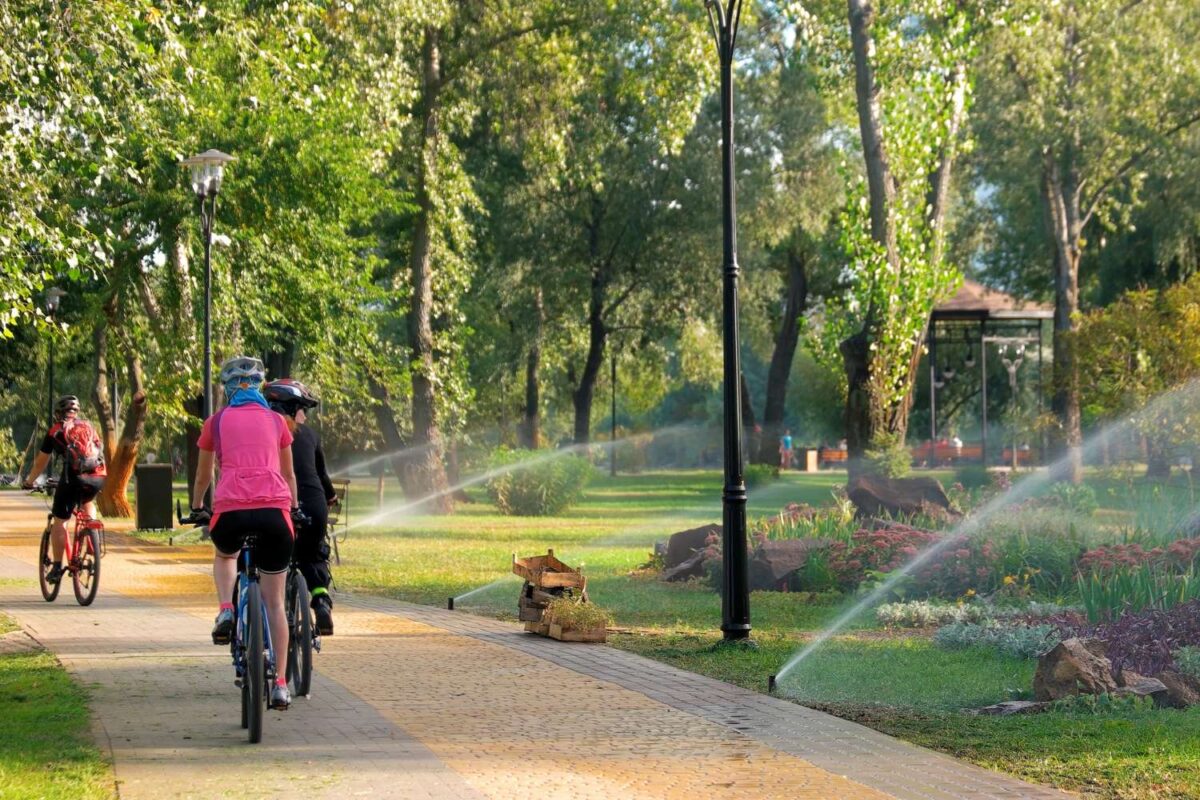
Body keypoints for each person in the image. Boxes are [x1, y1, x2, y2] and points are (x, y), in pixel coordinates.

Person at [190, 356, 302, 710]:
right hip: (274, 513)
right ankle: (281, 684)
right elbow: (288, 475)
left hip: (232, 511)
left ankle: (226, 608)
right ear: (259, 387)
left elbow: (204, 477)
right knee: (274, 603)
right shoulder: (276, 421)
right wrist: (294, 507)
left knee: (225, 554)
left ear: (227, 388)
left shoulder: (216, 422)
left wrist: (197, 507)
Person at [264, 378, 338, 635]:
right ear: (292, 408)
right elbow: (321, 474)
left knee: (274, 557)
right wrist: (330, 497)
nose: (304, 416)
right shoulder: (311, 435)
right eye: (302, 409)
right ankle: (320, 600)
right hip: (314, 504)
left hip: (279, 505)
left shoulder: (263, 434)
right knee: (313, 553)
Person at [22, 396, 107, 585]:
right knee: (87, 502)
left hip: (74, 478)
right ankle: (91, 536)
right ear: (76, 412)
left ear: (58, 413)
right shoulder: (89, 427)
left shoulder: (55, 431)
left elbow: (40, 463)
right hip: (98, 476)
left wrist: (29, 482)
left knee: (60, 521)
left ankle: (57, 566)